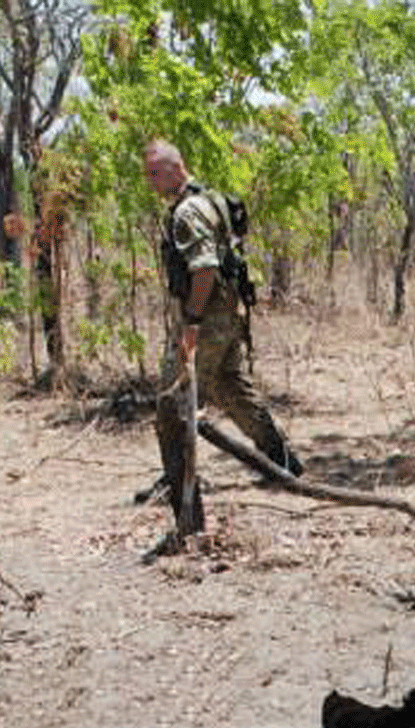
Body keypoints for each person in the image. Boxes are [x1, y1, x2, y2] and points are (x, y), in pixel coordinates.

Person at [144, 139, 301, 540]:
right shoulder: (209, 200)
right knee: (233, 391)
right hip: (229, 317)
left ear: (175, 167)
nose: (150, 182)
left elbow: (204, 268)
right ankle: (283, 465)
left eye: (154, 173)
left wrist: (192, 321)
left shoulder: (187, 211)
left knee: (171, 404)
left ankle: (184, 502)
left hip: (208, 319)